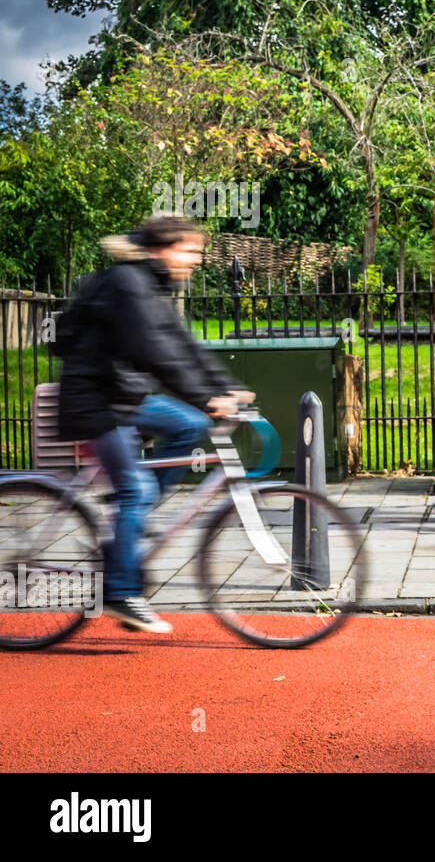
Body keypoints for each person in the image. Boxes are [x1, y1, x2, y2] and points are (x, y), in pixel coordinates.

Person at [55, 213, 252, 633]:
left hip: (123, 398)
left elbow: (182, 345)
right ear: (162, 249)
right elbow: (154, 353)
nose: (196, 260)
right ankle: (121, 591)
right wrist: (205, 397)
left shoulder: (150, 286)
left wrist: (225, 388)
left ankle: (132, 523)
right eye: (190, 250)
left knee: (188, 425)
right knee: (135, 488)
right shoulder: (128, 285)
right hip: (96, 403)